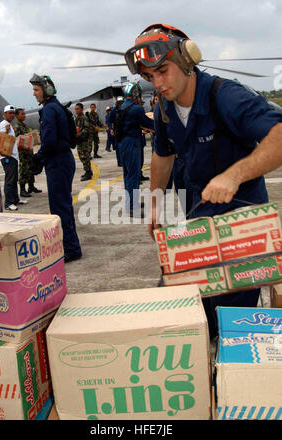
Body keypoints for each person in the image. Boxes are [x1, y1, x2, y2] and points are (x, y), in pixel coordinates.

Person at [125, 23, 282, 337]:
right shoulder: (165, 107)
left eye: (163, 71)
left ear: (187, 60)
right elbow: (163, 154)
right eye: (150, 77)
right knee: (185, 304)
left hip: (242, 221)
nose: (158, 83)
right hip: (200, 215)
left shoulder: (225, 95)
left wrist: (234, 175)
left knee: (233, 319)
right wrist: (155, 203)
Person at [29, 73, 82, 263]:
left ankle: (71, 249)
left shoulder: (50, 110)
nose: (34, 94)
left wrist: (38, 158)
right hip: (62, 160)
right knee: (62, 205)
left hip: (57, 161)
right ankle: (69, 245)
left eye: (36, 90)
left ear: (47, 90)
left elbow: (50, 141)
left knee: (60, 207)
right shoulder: (55, 107)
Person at [117, 82, 154, 217]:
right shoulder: (136, 109)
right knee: (134, 175)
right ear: (135, 94)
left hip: (123, 144)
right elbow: (148, 123)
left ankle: (131, 203)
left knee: (127, 175)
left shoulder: (122, 108)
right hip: (132, 143)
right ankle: (133, 207)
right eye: (139, 95)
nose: (140, 98)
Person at [0, 105, 28, 211]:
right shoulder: (3, 125)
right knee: (10, 180)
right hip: (8, 157)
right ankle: (8, 203)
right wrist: (5, 132)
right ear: (5, 114)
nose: (12, 115)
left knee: (14, 179)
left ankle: (15, 199)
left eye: (13, 113)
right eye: (9, 113)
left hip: (13, 157)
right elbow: (1, 140)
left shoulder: (9, 125)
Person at [14, 108, 42, 197]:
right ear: (17, 116)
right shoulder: (17, 127)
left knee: (30, 169)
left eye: (24, 114)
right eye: (22, 114)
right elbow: (17, 140)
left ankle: (31, 186)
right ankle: (22, 189)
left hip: (29, 151)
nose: (24, 116)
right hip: (23, 153)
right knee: (24, 170)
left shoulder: (24, 126)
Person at [74, 103, 92, 181]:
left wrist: (79, 135)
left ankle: (88, 173)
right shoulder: (77, 118)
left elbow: (86, 129)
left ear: (81, 109)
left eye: (78, 109)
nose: (76, 110)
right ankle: (88, 171)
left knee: (85, 157)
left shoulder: (84, 118)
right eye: (75, 109)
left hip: (84, 141)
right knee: (82, 157)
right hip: (79, 141)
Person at [109, 96, 124, 167]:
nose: (121, 103)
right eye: (119, 102)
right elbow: (110, 120)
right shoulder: (113, 111)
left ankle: (123, 160)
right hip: (117, 129)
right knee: (118, 147)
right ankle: (120, 162)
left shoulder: (125, 109)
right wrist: (111, 129)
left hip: (124, 129)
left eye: (122, 102)